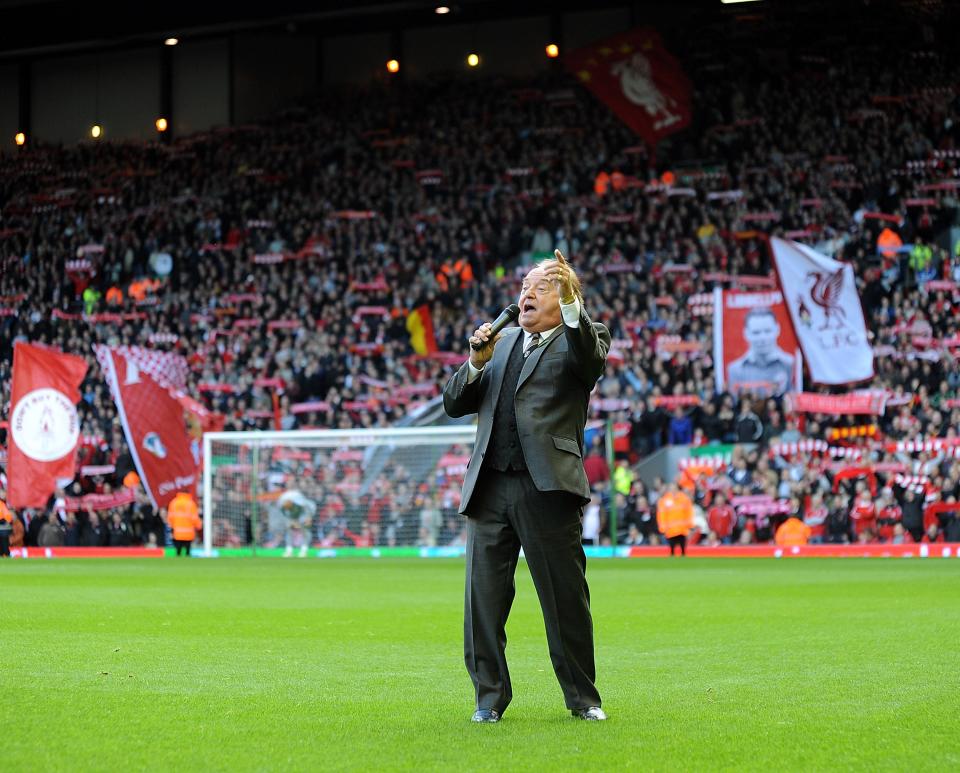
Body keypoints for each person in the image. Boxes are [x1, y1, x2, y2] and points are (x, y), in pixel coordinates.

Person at [442, 249, 610, 723]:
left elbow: (589, 360)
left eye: (541, 286)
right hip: (489, 487)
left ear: (567, 296)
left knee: (564, 599)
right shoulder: (501, 342)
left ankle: (583, 698)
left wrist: (575, 305)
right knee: (483, 602)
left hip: (547, 487)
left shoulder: (584, 338)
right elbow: (454, 403)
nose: (527, 294)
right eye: (524, 287)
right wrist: (476, 362)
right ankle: (488, 701)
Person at [726, 308, 796, 396]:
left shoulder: (791, 364)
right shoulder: (735, 370)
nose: (762, 338)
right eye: (756, 333)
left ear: (777, 329)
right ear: (746, 333)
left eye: (767, 331)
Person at [273, 489, 317, 557]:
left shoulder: (303, 505)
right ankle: (289, 550)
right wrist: (291, 523)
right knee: (289, 530)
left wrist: (307, 520)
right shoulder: (283, 506)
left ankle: (304, 550)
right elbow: (286, 517)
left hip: (304, 514)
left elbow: (308, 513)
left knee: (306, 530)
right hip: (294, 517)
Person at [656, 481, 694, 556]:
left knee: (683, 550)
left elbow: (689, 513)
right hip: (670, 530)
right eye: (671, 488)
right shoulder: (665, 500)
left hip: (682, 529)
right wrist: (662, 527)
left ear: (677, 488)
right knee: (672, 550)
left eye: (674, 488)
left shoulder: (684, 499)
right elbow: (661, 514)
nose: (673, 490)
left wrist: (690, 526)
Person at [167, 491, 201, 556]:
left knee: (178, 552)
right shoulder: (190, 503)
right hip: (188, 533)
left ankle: (177, 562)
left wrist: (171, 529)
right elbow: (194, 518)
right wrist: (199, 526)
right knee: (187, 552)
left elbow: (170, 517)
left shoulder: (174, 502)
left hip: (177, 532)